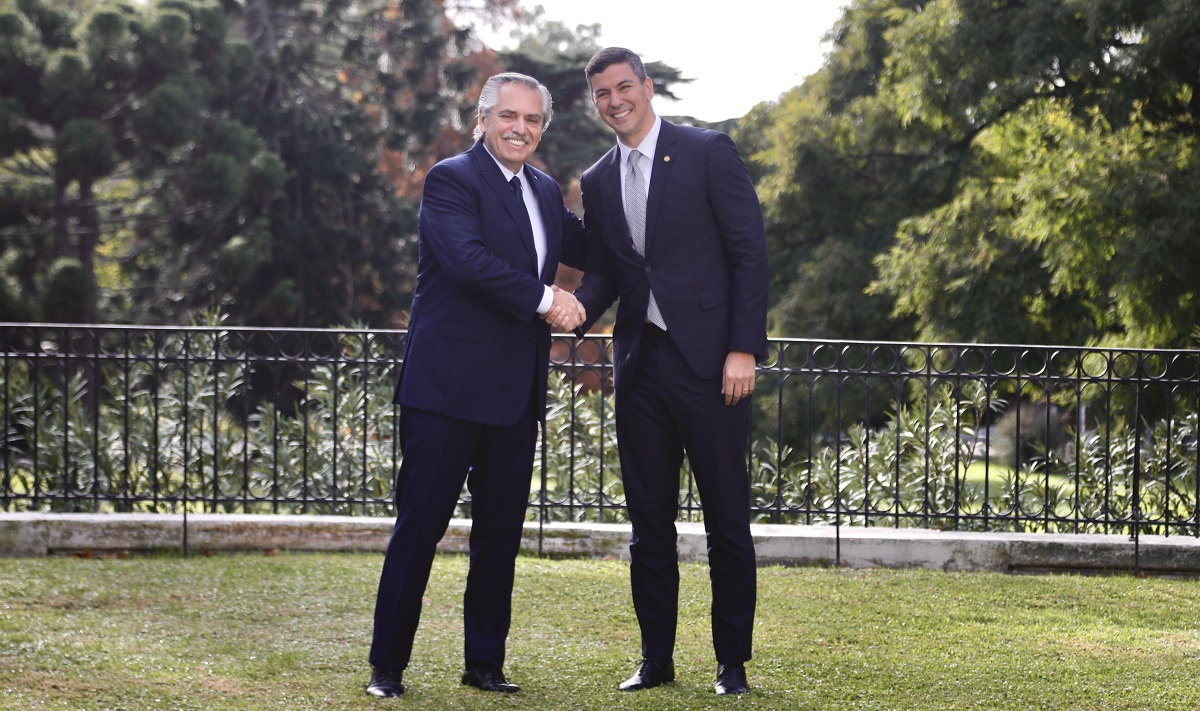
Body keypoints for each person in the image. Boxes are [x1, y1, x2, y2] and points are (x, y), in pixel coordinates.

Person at [365, 72, 586, 698]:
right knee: (420, 528)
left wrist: (652, 234)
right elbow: (467, 261)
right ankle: (388, 667)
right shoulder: (451, 180)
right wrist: (551, 300)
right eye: (509, 117)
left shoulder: (544, 190)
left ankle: (484, 664)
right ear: (483, 120)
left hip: (514, 395)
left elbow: (594, 246)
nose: (521, 129)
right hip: (446, 392)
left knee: (499, 537)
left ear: (543, 128)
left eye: (534, 120)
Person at [572, 47, 769, 696]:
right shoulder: (598, 179)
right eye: (602, 93)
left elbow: (748, 254)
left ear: (647, 87)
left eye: (624, 87)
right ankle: (656, 659)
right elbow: (609, 272)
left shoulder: (708, 151)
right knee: (648, 525)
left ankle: (731, 662)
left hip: (713, 366)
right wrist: (565, 311)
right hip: (641, 368)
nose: (615, 100)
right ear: (595, 102)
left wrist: (743, 349)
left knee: (726, 520)